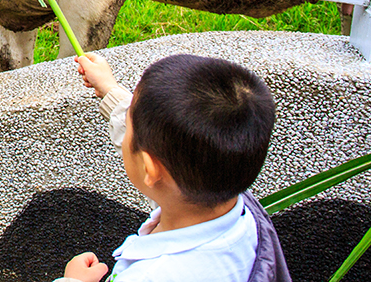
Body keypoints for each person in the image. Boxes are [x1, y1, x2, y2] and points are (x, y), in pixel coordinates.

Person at [54, 52, 290, 282]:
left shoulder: (150, 276)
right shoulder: (228, 199)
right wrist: (109, 89)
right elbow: (171, 147)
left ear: (150, 169)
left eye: (129, 123)